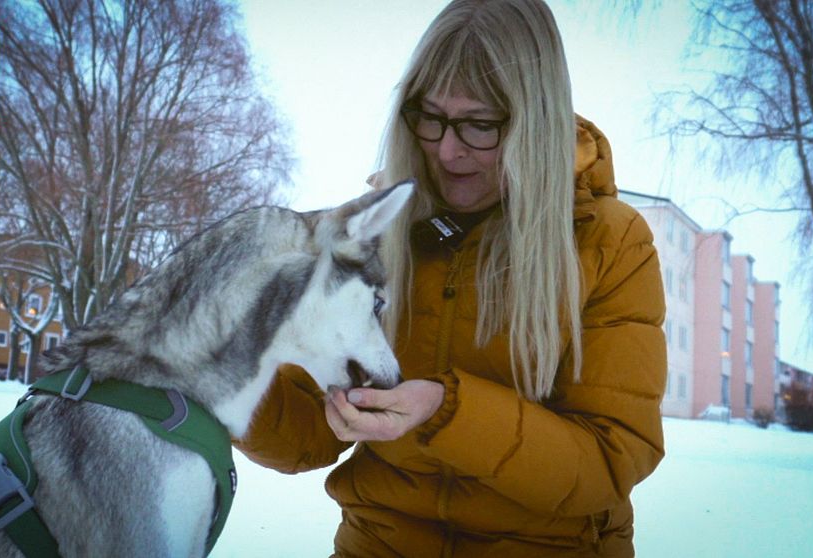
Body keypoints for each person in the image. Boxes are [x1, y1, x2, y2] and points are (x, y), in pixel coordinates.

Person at [236, 0, 666, 556]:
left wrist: (447, 411)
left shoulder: (608, 241)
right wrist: (233, 368)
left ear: (535, 119)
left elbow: (609, 462)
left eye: (479, 125)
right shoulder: (371, 230)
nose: (446, 148)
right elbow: (303, 436)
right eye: (430, 117)